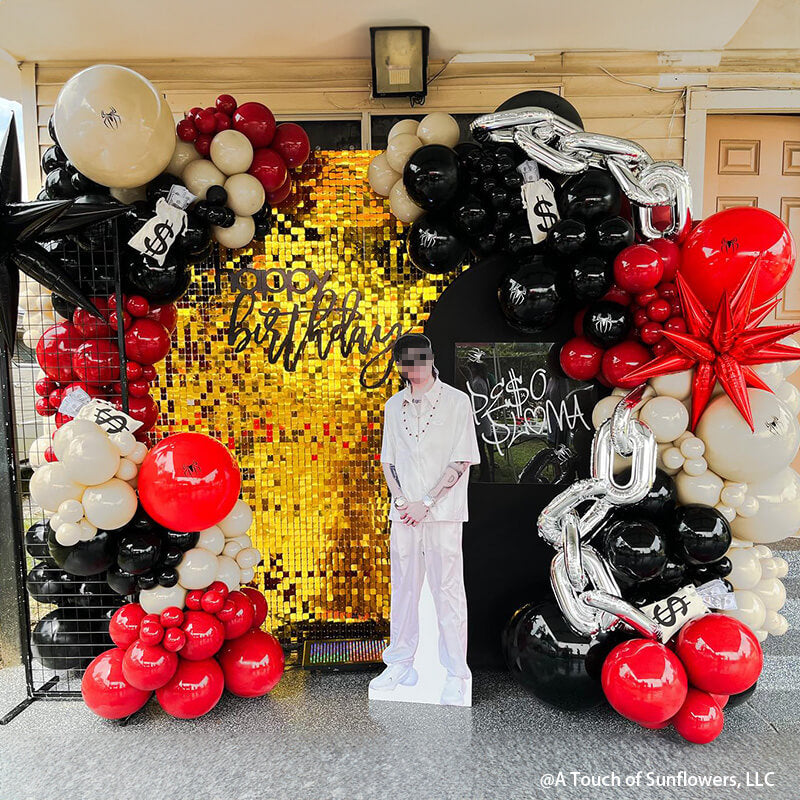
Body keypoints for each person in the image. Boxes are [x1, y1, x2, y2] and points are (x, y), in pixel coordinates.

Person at [370, 332, 480, 705]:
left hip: (444, 514)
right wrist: (401, 500)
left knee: (447, 590)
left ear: (431, 359)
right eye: (406, 363)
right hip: (403, 515)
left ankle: (456, 672)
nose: (413, 370)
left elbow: (462, 459)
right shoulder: (393, 406)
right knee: (403, 589)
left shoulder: (456, 402)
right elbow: (388, 460)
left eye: (418, 361)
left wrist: (427, 502)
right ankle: (400, 661)